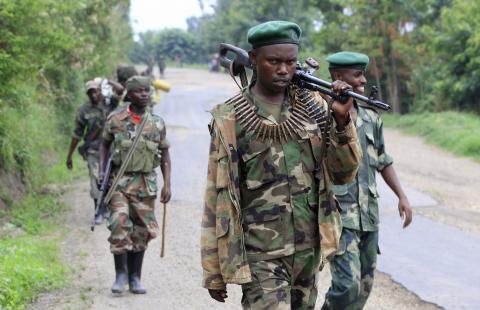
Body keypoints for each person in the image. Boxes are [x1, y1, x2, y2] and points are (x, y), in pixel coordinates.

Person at [201, 21, 361, 309]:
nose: (284, 70)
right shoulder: (230, 118)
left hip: (308, 251)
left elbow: (344, 174)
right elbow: (216, 194)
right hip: (260, 254)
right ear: (252, 59)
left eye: (290, 62)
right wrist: (213, 270)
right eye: (273, 61)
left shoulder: (315, 106)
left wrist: (341, 121)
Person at [322, 51, 413, 310]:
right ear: (338, 77)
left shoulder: (371, 118)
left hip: (368, 215)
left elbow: (383, 159)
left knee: (364, 286)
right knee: (346, 285)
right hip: (339, 215)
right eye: (357, 75)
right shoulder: (321, 115)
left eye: (363, 74)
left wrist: (402, 196)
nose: (363, 80)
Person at [98, 75, 171, 294]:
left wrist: (167, 184)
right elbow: (104, 145)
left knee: (142, 231)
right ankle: (120, 276)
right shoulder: (115, 119)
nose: (145, 94)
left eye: (147, 90)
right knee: (119, 224)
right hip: (119, 183)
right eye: (139, 91)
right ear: (129, 95)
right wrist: (101, 171)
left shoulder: (157, 122)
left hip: (145, 184)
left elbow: (165, 155)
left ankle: (135, 278)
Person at [66, 80, 106, 224]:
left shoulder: (109, 104)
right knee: (95, 179)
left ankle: (110, 207)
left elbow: (121, 92)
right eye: (90, 92)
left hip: (112, 150)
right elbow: (77, 134)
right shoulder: (84, 111)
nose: (94, 95)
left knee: (112, 179)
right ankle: (98, 210)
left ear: (101, 90)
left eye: (96, 91)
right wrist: (69, 156)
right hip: (93, 150)